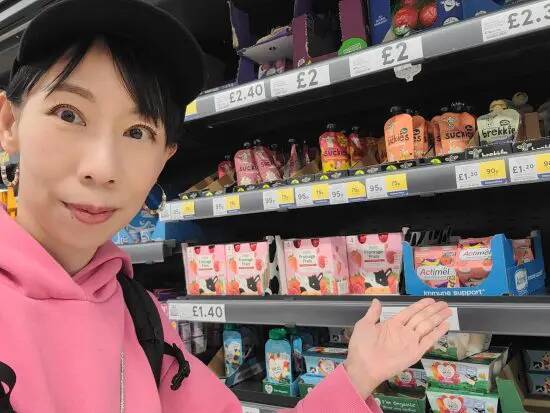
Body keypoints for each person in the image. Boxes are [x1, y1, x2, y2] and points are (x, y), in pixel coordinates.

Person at [0, 0, 452, 411]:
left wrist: (358, 374)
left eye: (137, 132)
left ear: (164, 159)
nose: (102, 168)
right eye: (69, 114)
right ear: (8, 123)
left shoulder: (139, 317)